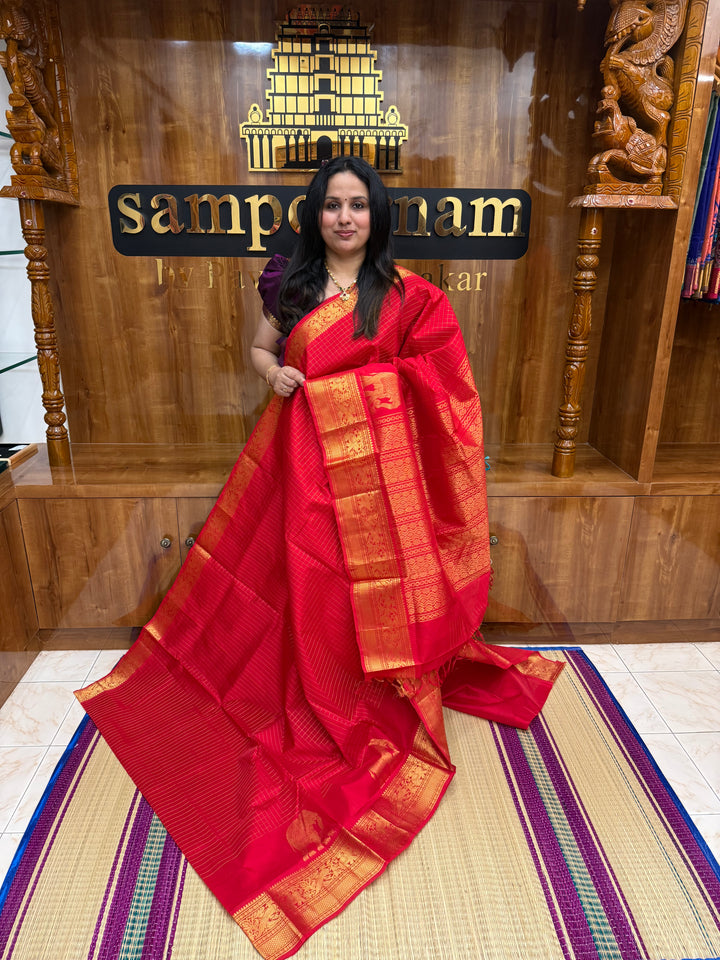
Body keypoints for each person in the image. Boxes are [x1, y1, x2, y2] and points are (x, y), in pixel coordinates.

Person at [77, 155, 563, 960]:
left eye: (358, 206)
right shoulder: (290, 283)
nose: (344, 218)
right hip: (303, 475)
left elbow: (445, 386)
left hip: (379, 490)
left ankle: (368, 686)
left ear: (376, 217)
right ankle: (309, 681)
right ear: (316, 215)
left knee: (360, 595)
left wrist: (362, 394)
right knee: (304, 589)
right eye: (333, 206)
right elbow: (261, 351)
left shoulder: (409, 295)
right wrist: (275, 375)